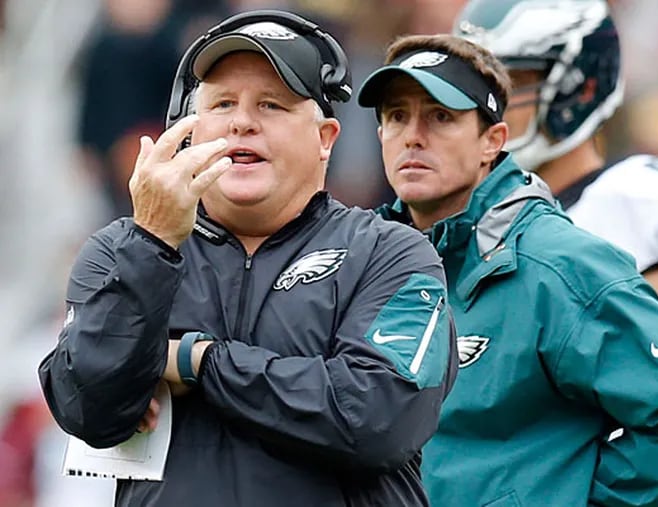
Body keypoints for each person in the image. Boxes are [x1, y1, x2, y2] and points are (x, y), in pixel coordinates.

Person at [38, 10, 458, 507]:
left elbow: (376, 420)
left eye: (270, 105)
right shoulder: (122, 251)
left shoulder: (391, 254)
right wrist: (152, 244)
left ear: (325, 139)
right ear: (189, 130)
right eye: (222, 103)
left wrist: (194, 361)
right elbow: (87, 410)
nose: (241, 122)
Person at [356, 33, 658, 507]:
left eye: (441, 116)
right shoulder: (367, 262)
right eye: (397, 116)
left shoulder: (558, 264)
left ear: (492, 141)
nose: (413, 136)